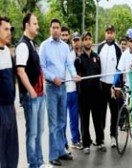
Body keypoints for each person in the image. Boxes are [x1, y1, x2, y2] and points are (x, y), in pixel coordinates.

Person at [39, 18, 80, 166]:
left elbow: (69, 64)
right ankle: (53, 155)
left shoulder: (64, 47)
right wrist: (52, 77)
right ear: (50, 29)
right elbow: (42, 67)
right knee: (53, 124)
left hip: (63, 86)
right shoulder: (44, 46)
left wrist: (74, 74)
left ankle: (61, 151)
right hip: (51, 87)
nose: (56, 30)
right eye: (53, 27)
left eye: (58, 27)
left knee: (62, 122)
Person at [15, 13, 49, 168]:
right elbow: (20, 71)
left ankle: (39, 161)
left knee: (39, 131)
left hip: (40, 95)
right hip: (31, 96)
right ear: (27, 26)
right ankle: (33, 164)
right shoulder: (22, 45)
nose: (38, 26)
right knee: (32, 133)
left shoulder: (32, 44)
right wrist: (31, 90)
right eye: (35, 24)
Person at [75, 32, 103, 154]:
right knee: (84, 120)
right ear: (82, 42)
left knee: (97, 118)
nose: (87, 41)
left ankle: (100, 141)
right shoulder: (78, 59)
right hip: (83, 95)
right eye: (85, 39)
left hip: (96, 94)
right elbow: (76, 77)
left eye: (89, 39)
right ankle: (86, 143)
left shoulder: (97, 57)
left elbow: (100, 74)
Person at [97, 25, 122, 148]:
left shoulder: (118, 49)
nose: (109, 34)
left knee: (114, 112)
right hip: (102, 85)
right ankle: (100, 138)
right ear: (105, 33)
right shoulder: (100, 47)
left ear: (114, 34)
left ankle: (113, 135)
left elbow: (120, 68)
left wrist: (118, 86)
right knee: (101, 112)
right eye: (107, 32)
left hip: (113, 86)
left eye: (112, 32)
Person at [0, 16, 19, 168]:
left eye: (10, 30)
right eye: (5, 29)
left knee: (12, 149)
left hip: (10, 107)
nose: (9, 33)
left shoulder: (8, 51)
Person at [65, 32, 83, 151]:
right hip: (68, 89)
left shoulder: (82, 55)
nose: (76, 42)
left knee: (77, 117)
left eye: (78, 40)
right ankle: (68, 141)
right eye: (74, 40)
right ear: (72, 41)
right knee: (67, 118)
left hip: (79, 91)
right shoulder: (68, 54)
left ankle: (77, 139)